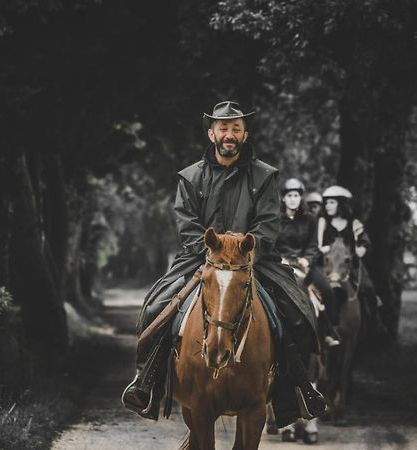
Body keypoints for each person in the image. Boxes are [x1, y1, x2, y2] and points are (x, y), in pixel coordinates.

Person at [121, 101, 327, 425]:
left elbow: (269, 222)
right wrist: (210, 253)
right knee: (155, 307)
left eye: (236, 129)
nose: (229, 134)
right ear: (211, 133)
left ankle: (297, 390)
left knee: (298, 314)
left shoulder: (265, 175)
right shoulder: (190, 177)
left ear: (245, 135)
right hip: (200, 259)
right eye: (223, 128)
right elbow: (186, 223)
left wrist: (247, 250)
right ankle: (146, 383)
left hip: (253, 260)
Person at [276, 179, 340, 347]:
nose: (293, 199)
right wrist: (280, 258)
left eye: (296, 195)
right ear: (283, 198)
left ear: (300, 197)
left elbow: (313, 245)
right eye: (289, 195)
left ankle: (327, 332)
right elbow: (270, 244)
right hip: (280, 264)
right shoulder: (274, 219)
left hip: (305, 265)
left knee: (327, 291)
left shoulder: (310, 219)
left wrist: (307, 259)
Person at [319, 185, 383, 340]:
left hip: (351, 266)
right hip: (328, 266)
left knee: (369, 289)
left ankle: (374, 324)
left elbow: (364, 241)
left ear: (341, 204)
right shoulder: (323, 224)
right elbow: (318, 244)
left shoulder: (354, 224)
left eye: (332, 202)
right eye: (326, 203)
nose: (328, 206)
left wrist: (361, 248)